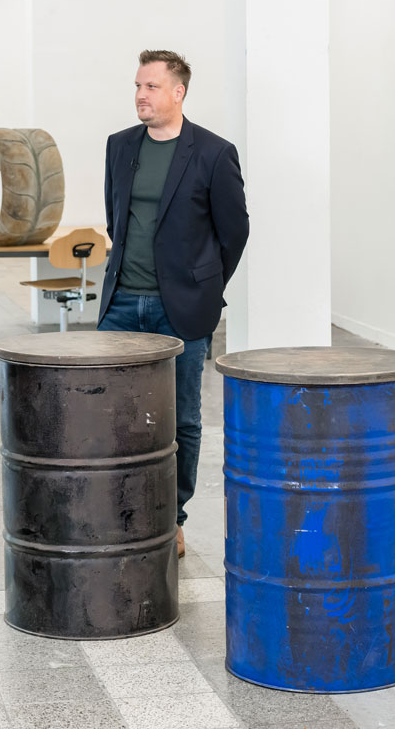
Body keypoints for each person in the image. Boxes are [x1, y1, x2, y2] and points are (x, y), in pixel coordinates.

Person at [97, 50, 249, 557]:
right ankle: (121, 511)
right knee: (114, 415)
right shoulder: (119, 147)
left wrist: (204, 285)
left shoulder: (212, 152)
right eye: (137, 86)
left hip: (181, 309)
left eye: (151, 87)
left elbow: (234, 232)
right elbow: (115, 219)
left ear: (178, 92)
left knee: (180, 418)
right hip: (121, 305)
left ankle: (172, 517)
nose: (141, 95)